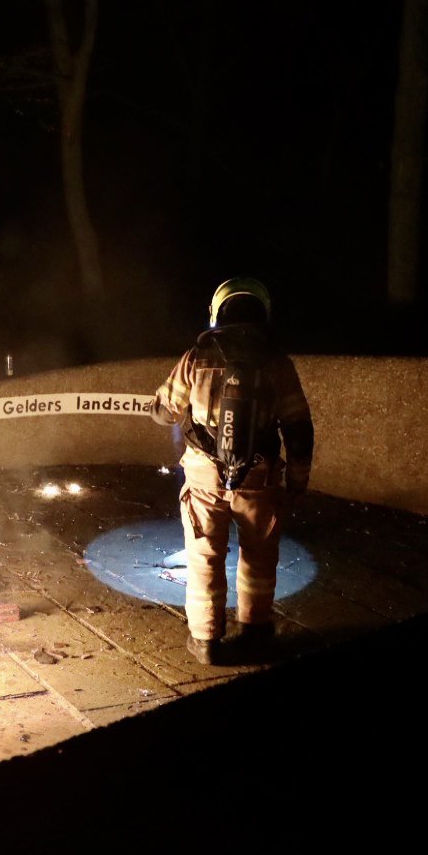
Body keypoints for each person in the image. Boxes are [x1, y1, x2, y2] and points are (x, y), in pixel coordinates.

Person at [149, 277, 314, 664]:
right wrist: (298, 481)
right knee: (258, 557)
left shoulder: (197, 357)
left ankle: (206, 641)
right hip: (260, 478)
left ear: (217, 312)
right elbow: (299, 429)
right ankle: (255, 632)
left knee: (205, 555)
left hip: (205, 479)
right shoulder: (278, 363)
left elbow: (164, 412)